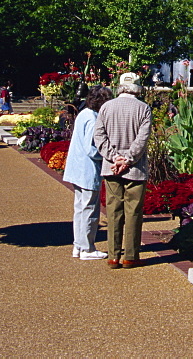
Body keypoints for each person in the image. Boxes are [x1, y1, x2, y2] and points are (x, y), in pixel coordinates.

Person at [93, 72, 152, 269]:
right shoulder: (143, 108)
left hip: (111, 167)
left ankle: (113, 255)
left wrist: (114, 157)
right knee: (133, 212)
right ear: (137, 87)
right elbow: (142, 140)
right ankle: (130, 256)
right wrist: (127, 159)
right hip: (135, 169)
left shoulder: (106, 107)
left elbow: (99, 136)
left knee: (113, 211)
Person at [62, 85, 113, 260]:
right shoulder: (93, 118)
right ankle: (87, 248)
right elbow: (92, 149)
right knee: (90, 209)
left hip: (76, 168)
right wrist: (110, 156)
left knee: (80, 208)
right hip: (87, 169)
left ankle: (79, 245)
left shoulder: (84, 114)